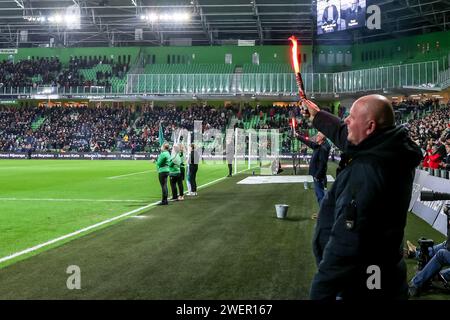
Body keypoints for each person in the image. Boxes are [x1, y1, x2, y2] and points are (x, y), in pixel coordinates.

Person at [302, 94, 423, 300]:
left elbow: (347, 244)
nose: (346, 120)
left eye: (351, 116)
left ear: (370, 127)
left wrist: (322, 291)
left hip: (364, 282)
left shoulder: (370, 172)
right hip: (384, 274)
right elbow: (347, 136)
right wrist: (318, 116)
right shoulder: (388, 148)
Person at [295, 131, 331, 205]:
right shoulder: (320, 146)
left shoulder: (323, 148)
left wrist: (317, 176)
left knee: (320, 196)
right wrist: (298, 136)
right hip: (319, 175)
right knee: (320, 195)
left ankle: (323, 214)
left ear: (321, 138)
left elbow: (322, 164)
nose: (316, 136)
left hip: (319, 176)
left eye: (318, 135)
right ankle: (323, 213)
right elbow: (309, 143)